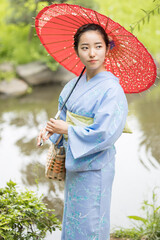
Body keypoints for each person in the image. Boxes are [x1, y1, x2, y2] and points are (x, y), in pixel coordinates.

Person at [37, 23, 128, 240]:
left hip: (96, 166)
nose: (92, 53)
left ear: (108, 48)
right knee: (73, 220)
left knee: (91, 224)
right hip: (75, 162)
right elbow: (62, 116)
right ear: (76, 49)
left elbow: (105, 133)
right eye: (85, 47)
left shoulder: (112, 90)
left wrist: (68, 129)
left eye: (98, 46)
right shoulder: (72, 85)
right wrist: (50, 130)